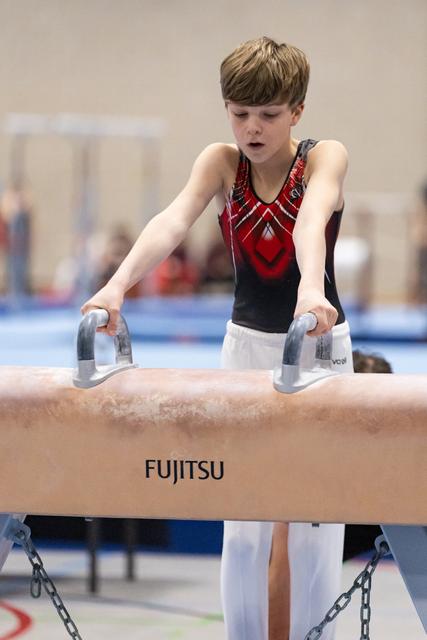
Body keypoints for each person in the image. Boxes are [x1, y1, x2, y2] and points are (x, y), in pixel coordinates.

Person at [82, 36, 353, 640]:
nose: (252, 128)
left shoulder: (324, 156)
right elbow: (173, 219)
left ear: (298, 112)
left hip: (317, 344)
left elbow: (313, 218)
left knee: (317, 522)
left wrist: (313, 289)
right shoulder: (221, 162)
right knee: (243, 524)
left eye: (269, 115)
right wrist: (117, 286)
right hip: (247, 349)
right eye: (240, 113)